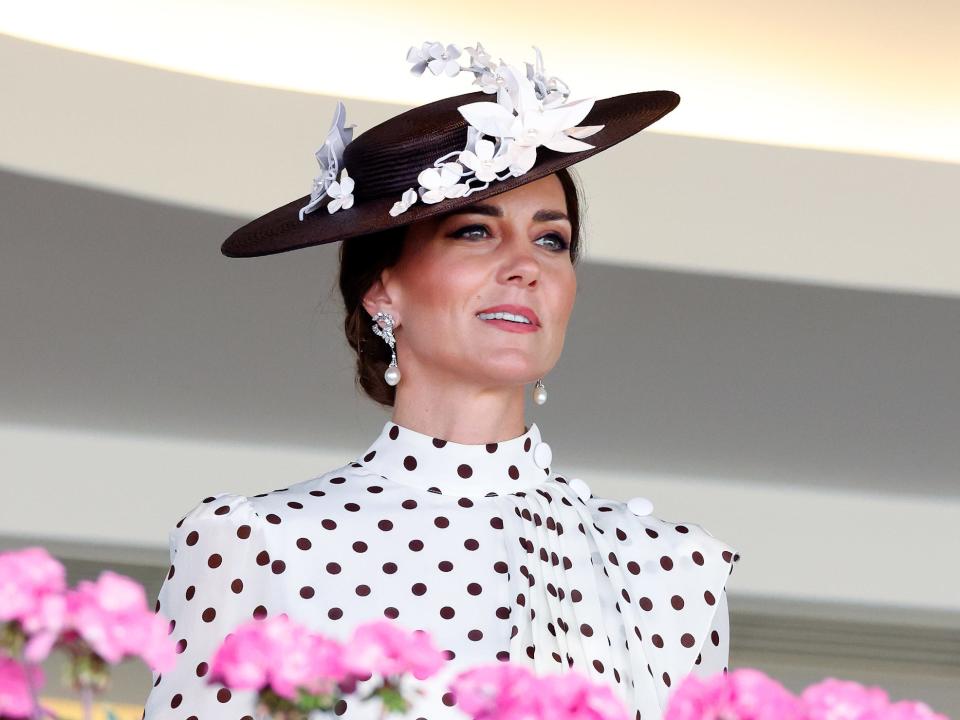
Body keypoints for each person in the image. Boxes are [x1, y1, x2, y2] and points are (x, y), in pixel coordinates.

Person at [143, 40, 740, 720]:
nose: (526, 266)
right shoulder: (259, 544)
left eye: (552, 240)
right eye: (474, 232)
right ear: (381, 289)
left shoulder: (674, 572)